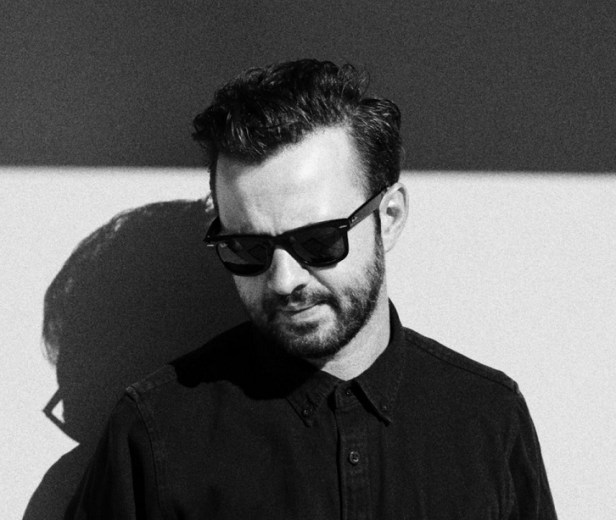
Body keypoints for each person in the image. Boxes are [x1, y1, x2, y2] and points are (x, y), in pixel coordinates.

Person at [66, 59, 557, 519]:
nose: (284, 280)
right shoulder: (157, 434)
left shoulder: (488, 421)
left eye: (318, 240)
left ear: (388, 218)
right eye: (248, 248)